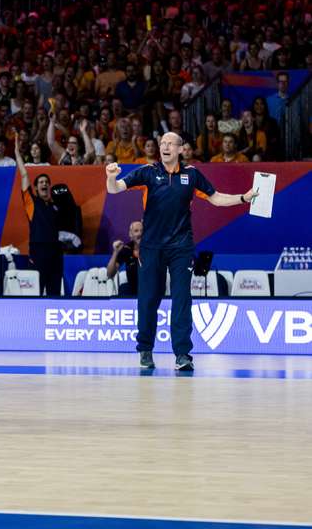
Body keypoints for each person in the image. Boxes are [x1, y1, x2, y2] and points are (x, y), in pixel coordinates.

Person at [106, 132, 258, 370]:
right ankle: (145, 350)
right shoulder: (147, 172)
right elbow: (115, 190)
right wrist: (111, 178)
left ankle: (182, 355)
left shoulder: (192, 175)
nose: (164, 147)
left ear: (180, 149)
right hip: (151, 247)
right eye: (162, 143)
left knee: (182, 299)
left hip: (181, 247)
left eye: (170, 144)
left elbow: (216, 199)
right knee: (148, 300)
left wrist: (243, 198)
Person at [13, 134, 64, 296]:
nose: (44, 184)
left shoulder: (57, 205)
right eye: (41, 182)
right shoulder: (32, 203)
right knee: (36, 291)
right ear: (36, 187)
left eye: (46, 182)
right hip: (38, 252)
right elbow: (25, 175)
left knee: (55, 292)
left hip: (56, 253)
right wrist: (16, 152)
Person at [106, 221, 143, 295]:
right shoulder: (127, 249)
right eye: (136, 231)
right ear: (130, 234)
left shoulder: (152, 249)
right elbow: (110, 274)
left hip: (151, 290)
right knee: (123, 289)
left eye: (142, 231)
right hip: (133, 291)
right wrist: (115, 252)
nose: (140, 234)